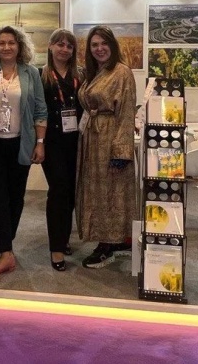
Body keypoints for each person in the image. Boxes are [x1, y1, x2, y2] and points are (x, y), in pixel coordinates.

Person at [0, 25, 47, 277]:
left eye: (11, 43)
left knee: (16, 198)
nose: (6, 47)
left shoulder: (31, 73)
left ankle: (6, 246)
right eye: (1, 43)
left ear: (19, 46)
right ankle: (6, 252)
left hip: (21, 143)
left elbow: (40, 110)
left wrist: (40, 142)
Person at [76, 26, 137, 269]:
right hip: (93, 138)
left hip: (110, 137)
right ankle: (109, 239)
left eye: (104, 43)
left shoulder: (122, 72)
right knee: (97, 191)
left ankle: (109, 243)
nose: (99, 48)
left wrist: (121, 151)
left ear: (112, 45)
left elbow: (127, 112)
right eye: (94, 45)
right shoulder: (94, 73)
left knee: (112, 191)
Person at [40, 30, 83, 271]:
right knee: (58, 190)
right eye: (60, 44)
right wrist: (38, 142)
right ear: (50, 46)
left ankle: (64, 237)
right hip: (52, 142)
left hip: (77, 141)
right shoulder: (41, 75)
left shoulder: (81, 76)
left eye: (69, 46)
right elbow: (37, 111)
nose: (64, 49)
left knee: (72, 192)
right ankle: (56, 247)